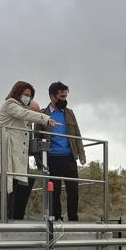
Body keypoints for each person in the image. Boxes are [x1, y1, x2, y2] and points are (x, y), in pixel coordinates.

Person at [0, 81, 58, 220]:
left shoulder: (20, 108)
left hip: (16, 153)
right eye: (26, 94)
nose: (27, 97)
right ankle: (4, 219)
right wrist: (46, 118)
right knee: (8, 186)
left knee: (13, 186)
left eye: (30, 96)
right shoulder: (10, 105)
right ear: (17, 92)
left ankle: (10, 218)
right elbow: (24, 114)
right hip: (8, 151)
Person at [36, 81, 86, 221]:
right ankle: (56, 219)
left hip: (69, 157)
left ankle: (73, 219)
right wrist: (39, 161)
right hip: (52, 158)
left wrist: (81, 154)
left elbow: (77, 134)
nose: (65, 99)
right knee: (54, 191)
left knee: (73, 190)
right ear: (53, 97)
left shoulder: (70, 113)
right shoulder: (42, 115)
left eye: (66, 96)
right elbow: (37, 136)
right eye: (62, 97)